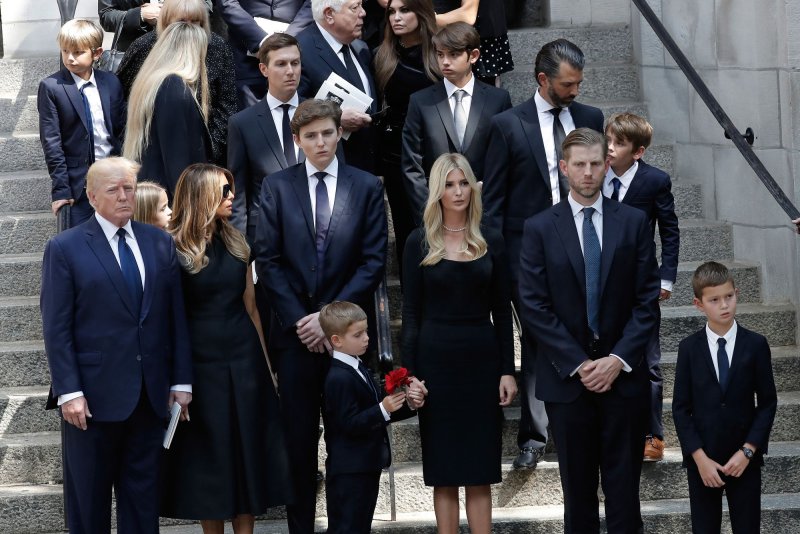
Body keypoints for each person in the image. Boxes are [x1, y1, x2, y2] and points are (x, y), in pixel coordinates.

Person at [253, 99, 387, 534]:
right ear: (297, 141)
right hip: (295, 340)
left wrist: (328, 321)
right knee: (298, 443)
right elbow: (268, 261)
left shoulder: (365, 185)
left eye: (327, 132)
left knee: (349, 438)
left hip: (346, 338)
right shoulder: (276, 186)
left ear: (338, 133)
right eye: (310, 135)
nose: (321, 141)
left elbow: (372, 261)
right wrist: (301, 320)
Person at [40, 156, 193, 533]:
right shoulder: (65, 248)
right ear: (92, 197)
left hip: (149, 395)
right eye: (114, 190)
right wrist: (69, 391)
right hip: (90, 400)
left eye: (129, 187)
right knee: (88, 504)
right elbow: (57, 328)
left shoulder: (158, 242)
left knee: (142, 502)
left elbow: (174, 317)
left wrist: (181, 382)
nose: (125, 196)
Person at [518, 128, 660, 533]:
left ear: (607, 164)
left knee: (624, 494)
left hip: (623, 380)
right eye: (579, 164)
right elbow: (534, 306)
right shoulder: (540, 227)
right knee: (577, 497)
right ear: (564, 168)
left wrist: (616, 360)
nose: (588, 172)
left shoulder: (632, 222)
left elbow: (646, 301)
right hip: (567, 383)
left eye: (596, 163)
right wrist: (580, 363)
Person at [482, 38, 604, 470]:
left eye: (578, 83)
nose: (575, 91)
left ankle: (581, 421)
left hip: (584, 242)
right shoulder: (507, 125)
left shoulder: (590, 118)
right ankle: (534, 436)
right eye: (567, 84)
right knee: (535, 335)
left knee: (581, 328)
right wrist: (495, 258)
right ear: (542, 80)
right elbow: (493, 200)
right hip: (525, 251)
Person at [161, 163, 291, 533]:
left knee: (248, 453)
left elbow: (251, 308)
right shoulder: (172, 248)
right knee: (211, 462)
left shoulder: (237, 241)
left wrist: (266, 368)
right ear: (203, 195)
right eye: (223, 191)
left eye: (231, 190)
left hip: (245, 361)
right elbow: (168, 321)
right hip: (201, 368)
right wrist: (175, 379)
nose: (232, 197)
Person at [401, 152, 517, 534]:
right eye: (449, 184)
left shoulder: (492, 240)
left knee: (480, 469)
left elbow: (502, 310)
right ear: (437, 190)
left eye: (464, 182)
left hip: (482, 363)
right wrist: (409, 376)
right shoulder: (419, 242)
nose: (458, 191)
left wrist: (507, 369)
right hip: (436, 366)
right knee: (444, 471)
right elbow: (412, 314)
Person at [673, 261, 777, 533]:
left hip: (744, 459)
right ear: (699, 304)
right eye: (715, 300)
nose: (724, 305)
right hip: (703, 462)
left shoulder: (755, 345)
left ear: (736, 293)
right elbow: (681, 409)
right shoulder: (689, 349)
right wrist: (699, 458)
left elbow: (767, 403)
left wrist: (748, 451)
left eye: (729, 296)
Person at [603, 112, 680, 462]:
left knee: (647, 361)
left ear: (638, 152)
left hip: (641, 284)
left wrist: (665, 277)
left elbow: (669, 230)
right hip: (601, 284)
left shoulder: (654, 181)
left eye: (618, 143)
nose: (609, 148)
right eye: (608, 139)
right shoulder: (595, 177)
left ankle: (653, 435)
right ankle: (612, 431)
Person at [320, 301, 425, 534]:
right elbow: (348, 423)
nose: (366, 338)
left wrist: (408, 403)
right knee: (347, 528)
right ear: (336, 340)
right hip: (349, 471)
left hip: (365, 465)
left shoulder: (358, 366)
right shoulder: (338, 377)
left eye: (366, 331)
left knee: (360, 526)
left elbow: (377, 409)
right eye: (358, 334)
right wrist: (382, 409)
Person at [401, 21, 510, 226]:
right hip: (437, 215)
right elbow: (412, 165)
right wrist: (430, 214)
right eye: (440, 54)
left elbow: (504, 160)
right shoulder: (421, 102)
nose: (445, 62)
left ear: (474, 56)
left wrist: (489, 206)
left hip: (486, 213)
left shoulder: (498, 100)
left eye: (453, 54)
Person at [116, 0, 237, 167]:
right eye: (181, 22)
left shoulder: (216, 47)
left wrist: (210, 150)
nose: (188, 29)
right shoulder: (143, 47)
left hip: (203, 154)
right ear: (166, 22)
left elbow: (227, 105)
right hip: (151, 151)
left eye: (195, 22)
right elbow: (121, 99)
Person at [373, 0, 440, 273]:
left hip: (435, 152)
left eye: (404, 10)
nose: (396, 18)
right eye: (391, 12)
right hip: (396, 155)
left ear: (421, 12)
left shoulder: (440, 53)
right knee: (406, 231)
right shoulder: (381, 55)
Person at [38, 19, 126, 228]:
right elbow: (52, 143)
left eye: (77, 52)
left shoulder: (111, 82)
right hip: (78, 186)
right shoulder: (52, 87)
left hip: (114, 179)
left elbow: (122, 130)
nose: (70, 58)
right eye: (65, 51)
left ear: (96, 54)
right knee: (80, 248)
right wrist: (61, 190)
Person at [227, 32, 304, 241]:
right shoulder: (243, 123)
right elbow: (239, 193)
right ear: (264, 69)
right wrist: (239, 251)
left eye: (295, 63)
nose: (290, 71)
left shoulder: (319, 115)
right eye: (281, 64)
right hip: (264, 235)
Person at [123, 20, 211, 199]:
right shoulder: (173, 87)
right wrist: (187, 211)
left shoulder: (154, 84)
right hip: (170, 203)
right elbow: (176, 157)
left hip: (155, 198)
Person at [296, 0, 378, 173]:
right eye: (355, 8)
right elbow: (292, 107)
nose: (363, 13)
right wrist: (335, 118)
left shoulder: (361, 48)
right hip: (329, 170)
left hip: (367, 168)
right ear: (329, 14)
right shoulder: (301, 50)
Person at [218, 0, 314, 108]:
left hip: (293, 55)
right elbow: (226, 2)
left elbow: (312, 4)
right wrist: (262, 40)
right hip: (246, 58)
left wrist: (287, 40)